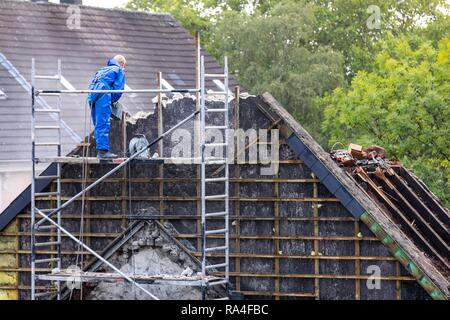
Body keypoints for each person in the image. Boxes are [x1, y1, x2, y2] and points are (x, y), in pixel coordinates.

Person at [87, 55, 126, 159]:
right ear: (122, 64)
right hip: (103, 96)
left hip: (92, 96)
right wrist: (112, 102)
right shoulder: (119, 70)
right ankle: (103, 152)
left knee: (98, 124)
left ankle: (100, 150)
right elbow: (118, 90)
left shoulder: (102, 70)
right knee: (103, 123)